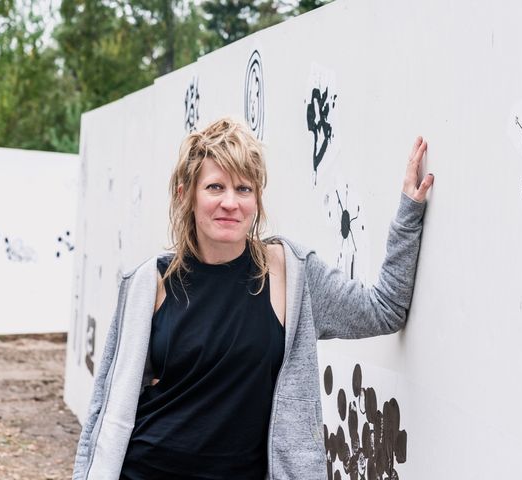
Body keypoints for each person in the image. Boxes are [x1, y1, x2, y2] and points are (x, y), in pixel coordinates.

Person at [72, 117, 434, 480]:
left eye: (244, 189)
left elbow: (384, 310)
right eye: (215, 187)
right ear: (186, 195)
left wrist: (408, 212)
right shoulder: (149, 284)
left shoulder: (292, 275)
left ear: (257, 200)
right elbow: (105, 407)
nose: (231, 203)